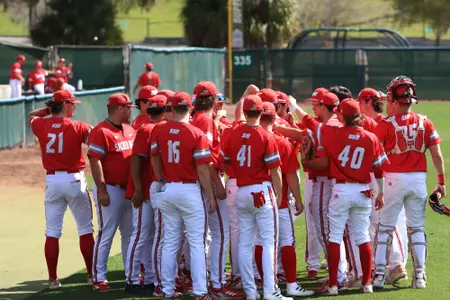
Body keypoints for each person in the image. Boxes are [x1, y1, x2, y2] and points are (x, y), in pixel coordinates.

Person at [373, 76, 446, 289]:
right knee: (416, 228)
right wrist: (441, 181)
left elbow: (375, 158)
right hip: (418, 180)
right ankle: (420, 277)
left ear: (395, 100)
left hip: (393, 179)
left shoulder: (385, 125)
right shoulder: (425, 121)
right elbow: (437, 154)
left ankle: (378, 275)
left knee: (384, 228)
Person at [310, 98, 388, 295]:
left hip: (341, 190)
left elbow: (315, 125)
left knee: (335, 236)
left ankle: (334, 285)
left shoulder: (332, 133)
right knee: (362, 237)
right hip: (363, 191)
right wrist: (381, 194)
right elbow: (379, 171)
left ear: (341, 115)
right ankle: (367, 283)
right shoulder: (370, 137)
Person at [222, 94, 290, 300]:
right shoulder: (265, 135)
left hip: (241, 190)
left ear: (244, 111)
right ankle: (271, 291)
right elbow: (276, 170)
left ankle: (251, 292)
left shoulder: (233, 133)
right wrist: (278, 194)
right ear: (261, 112)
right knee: (269, 242)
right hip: (261, 190)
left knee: (244, 243)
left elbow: (225, 163)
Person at [150, 92, 217, 300]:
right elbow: (204, 170)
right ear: (191, 108)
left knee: (170, 242)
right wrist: (211, 196)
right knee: (196, 243)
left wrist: (161, 181)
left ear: (171, 109)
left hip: (168, 188)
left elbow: (155, 159)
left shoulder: (158, 130)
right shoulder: (196, 133)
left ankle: (167, 290)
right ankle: (200, 291)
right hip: (189, 190)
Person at [28, 90, 94, 289]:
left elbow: (32, 116)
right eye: (72, 103)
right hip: (74, 180)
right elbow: (97, 138)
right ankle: (92, 276)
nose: (74, 107)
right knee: (85, 229)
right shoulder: (78, 126)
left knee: (52, 232)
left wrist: (50, 109)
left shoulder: (41, 124)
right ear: (65, 105)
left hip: (53, 181)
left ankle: (52, 279)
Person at [256, 102, 313, 297]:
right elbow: (290, 175)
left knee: (260, 242)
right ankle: (290, 284)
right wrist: (297, 199)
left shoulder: (246, 137)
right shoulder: (281, 142)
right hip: (277, 200)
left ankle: (263, 284)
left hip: (253, 197)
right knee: (286, 241)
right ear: (274, 118)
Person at [191, 81, 241, 299]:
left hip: (198, 180)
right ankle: (217, 284)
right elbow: (206, 158)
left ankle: (210, 279)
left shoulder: (199, 118)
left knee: (204, 235)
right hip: (209, 179)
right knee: (220, 233)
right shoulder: (205, 121)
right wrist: (217, 185)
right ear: (212, 100)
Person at [357, 87, 408, 284]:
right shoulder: (381, 122)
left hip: (384, 178)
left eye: (361, 101)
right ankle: (383, 265)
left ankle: (396, 264)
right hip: (380, 177)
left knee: (385, 221)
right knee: (374, 222)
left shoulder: (380, 123)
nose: (360, 105)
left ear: (368, 102)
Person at [88, 93, 136, 292]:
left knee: (129, 234)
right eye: (128, 107)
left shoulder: (129, 129)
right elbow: (94, 160)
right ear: (120, 108)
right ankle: (99, 277)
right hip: (110, 189)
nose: (130, 110)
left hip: (128, 191)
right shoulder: (101, 131)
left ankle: (130, 275)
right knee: (106, 234)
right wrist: (101, 189)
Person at [124, 94, 167, 296]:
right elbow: (136, 161)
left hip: (154, 190)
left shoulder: (157, 128)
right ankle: (131, 279)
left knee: (150, 236)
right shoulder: (147, 130)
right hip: (145, 190)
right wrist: (139, 189)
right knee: (142, 234)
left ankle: (150, 278)